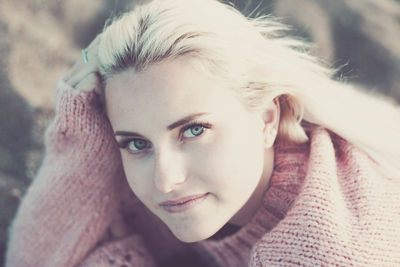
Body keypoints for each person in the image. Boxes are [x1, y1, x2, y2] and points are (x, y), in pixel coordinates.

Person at [5, 0, 400, 266]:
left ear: (266, 117)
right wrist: (77, 142)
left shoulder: (328, 251)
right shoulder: (196, 179)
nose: (165, 180)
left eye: (194, 130)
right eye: (135, 143)